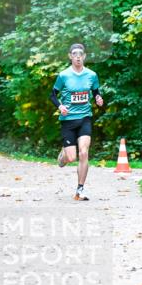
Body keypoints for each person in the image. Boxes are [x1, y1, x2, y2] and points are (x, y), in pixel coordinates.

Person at [51, 43, 103, 201]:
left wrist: (98, 98)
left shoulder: (92, 75)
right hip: (68, 121)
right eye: (75, 53)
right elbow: (52, 95)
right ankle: (64, 156)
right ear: (70, 56)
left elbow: (96, 92)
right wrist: (60, 106)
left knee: (84, 152)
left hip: (85, 118)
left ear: (85, 56)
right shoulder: (64, 75)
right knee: (72, 158)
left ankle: (80, 189)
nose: (78, 56)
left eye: (81, 53)